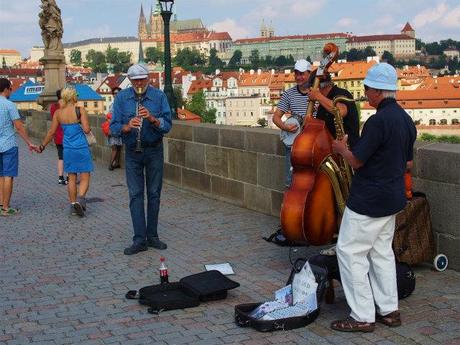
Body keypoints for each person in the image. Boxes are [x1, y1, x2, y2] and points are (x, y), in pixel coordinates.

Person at [330, 63, 416, 332]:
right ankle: (390, 311)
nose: (365, 93)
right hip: (392, 199)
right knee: (381, 254)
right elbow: (408, 164)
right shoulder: (405, 119)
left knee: (349, 251)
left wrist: (342, 149)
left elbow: (356, 162)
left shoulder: (378, 122)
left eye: (367, 88)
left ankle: (362, 315)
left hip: (369, 200)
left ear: (378, 91)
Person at [110, 63, 172, 255]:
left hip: (154, 150)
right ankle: (139, 239)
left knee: (154, 193)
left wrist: (152, 119)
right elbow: (113, 127)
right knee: (136, 195)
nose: (139, 84)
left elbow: (168, 124)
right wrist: (127, 127)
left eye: (142, 80)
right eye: (135, 80)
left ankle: (152, 236)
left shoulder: (159, 96)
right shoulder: (121, 98)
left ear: (148, 79)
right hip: (132, 151)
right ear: (130, 80)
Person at [40, 87, 94, 217]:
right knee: (85, 177)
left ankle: (73, 204)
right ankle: (81, 199)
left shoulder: (58, 113)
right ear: (74, 96)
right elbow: (86, 130)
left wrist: (42, 146)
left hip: (68, 149)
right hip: (81, 148)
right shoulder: (80, 110)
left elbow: (51, 132)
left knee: (71, 178)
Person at [0, 78, 39, 216]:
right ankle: (5, 207)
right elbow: (19, 127)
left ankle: (1, 204)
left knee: (0, 176)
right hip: (8, 145)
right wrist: (29, 142)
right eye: (10, 89)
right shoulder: (9, 105)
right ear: (6, 89)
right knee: (8, 176)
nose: (11, 91)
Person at [272, 59, 312, 188]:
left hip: (312, 143)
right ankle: (290, 207)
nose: (299, 77)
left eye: (302, 73)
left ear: (309, 74)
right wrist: (286, 127)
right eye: (296, 74)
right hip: (294, 145)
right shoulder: (289, 94)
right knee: (290, 181)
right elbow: (276, 117)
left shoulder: (317, 94)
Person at [306, 73, 360, 150]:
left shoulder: (341, 93)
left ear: (318, 87)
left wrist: (318, 96)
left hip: (348, 151)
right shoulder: (323, 102)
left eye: (310, 89)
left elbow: (341, 111)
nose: (309, 92)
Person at [49, 89, 67, 185]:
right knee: (69, 157)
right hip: (67, 135)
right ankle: (69, 176)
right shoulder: (66, 106)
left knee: (61, 157)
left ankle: (60, 177)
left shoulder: (53, 107)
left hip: (58, 135)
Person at [108, 87, 122, 170]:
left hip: (119, 127)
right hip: (113, 128)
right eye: (114, 93)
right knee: (114, 147)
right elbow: (109, 116)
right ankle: (111, 164)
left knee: (118, 146)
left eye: (117, 93)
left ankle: (117, 163)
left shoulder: (119, 104)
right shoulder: (113, 105)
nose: (116, 95)